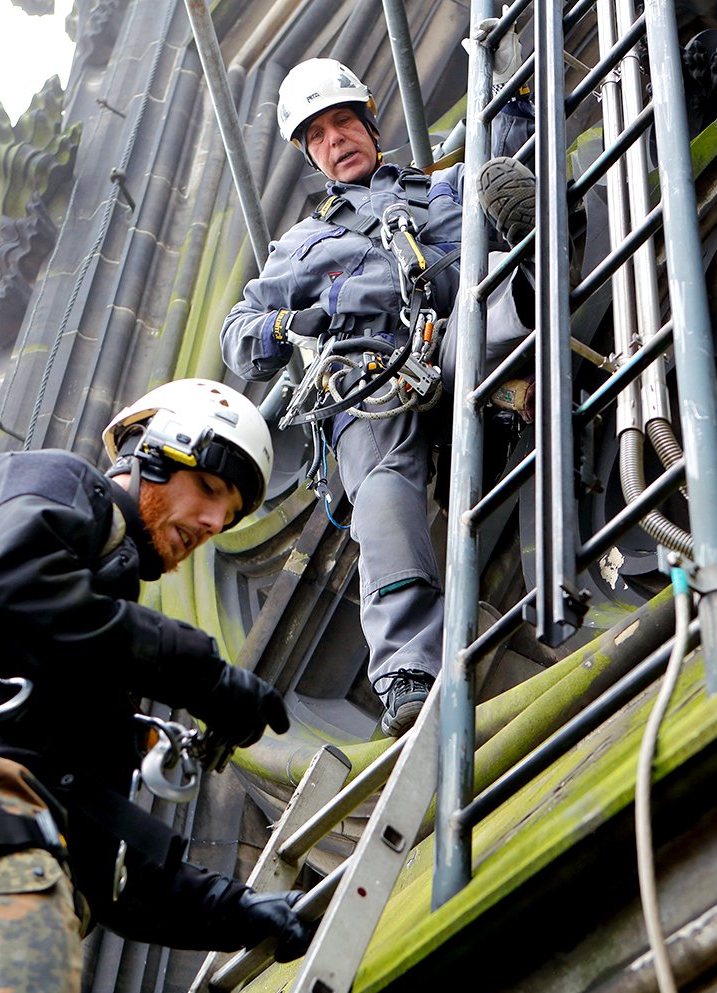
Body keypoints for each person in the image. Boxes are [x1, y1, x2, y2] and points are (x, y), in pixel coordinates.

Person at [0, 378, 313, 993]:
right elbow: (8, 586)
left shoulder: (75, 662)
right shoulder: (55, 480)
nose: (216, 521)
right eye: (211, 488)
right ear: (154, 450)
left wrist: (231, 910)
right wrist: (204, 674)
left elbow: (102, 863)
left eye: (232, 515)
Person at [220, 47, 534, 738]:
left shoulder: (444, 188)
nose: (335, 143)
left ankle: (543, 271)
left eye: (343, 125)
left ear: (369, 123)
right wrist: (289, 323)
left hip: (455, 334)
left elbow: (513, 149)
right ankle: (407, 675)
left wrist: (515, 94)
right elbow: (238, 334)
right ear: (312, 154)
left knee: (502, 301)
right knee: (384, 498)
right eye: (319, 137)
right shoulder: (297, 248)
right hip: (370, 386)